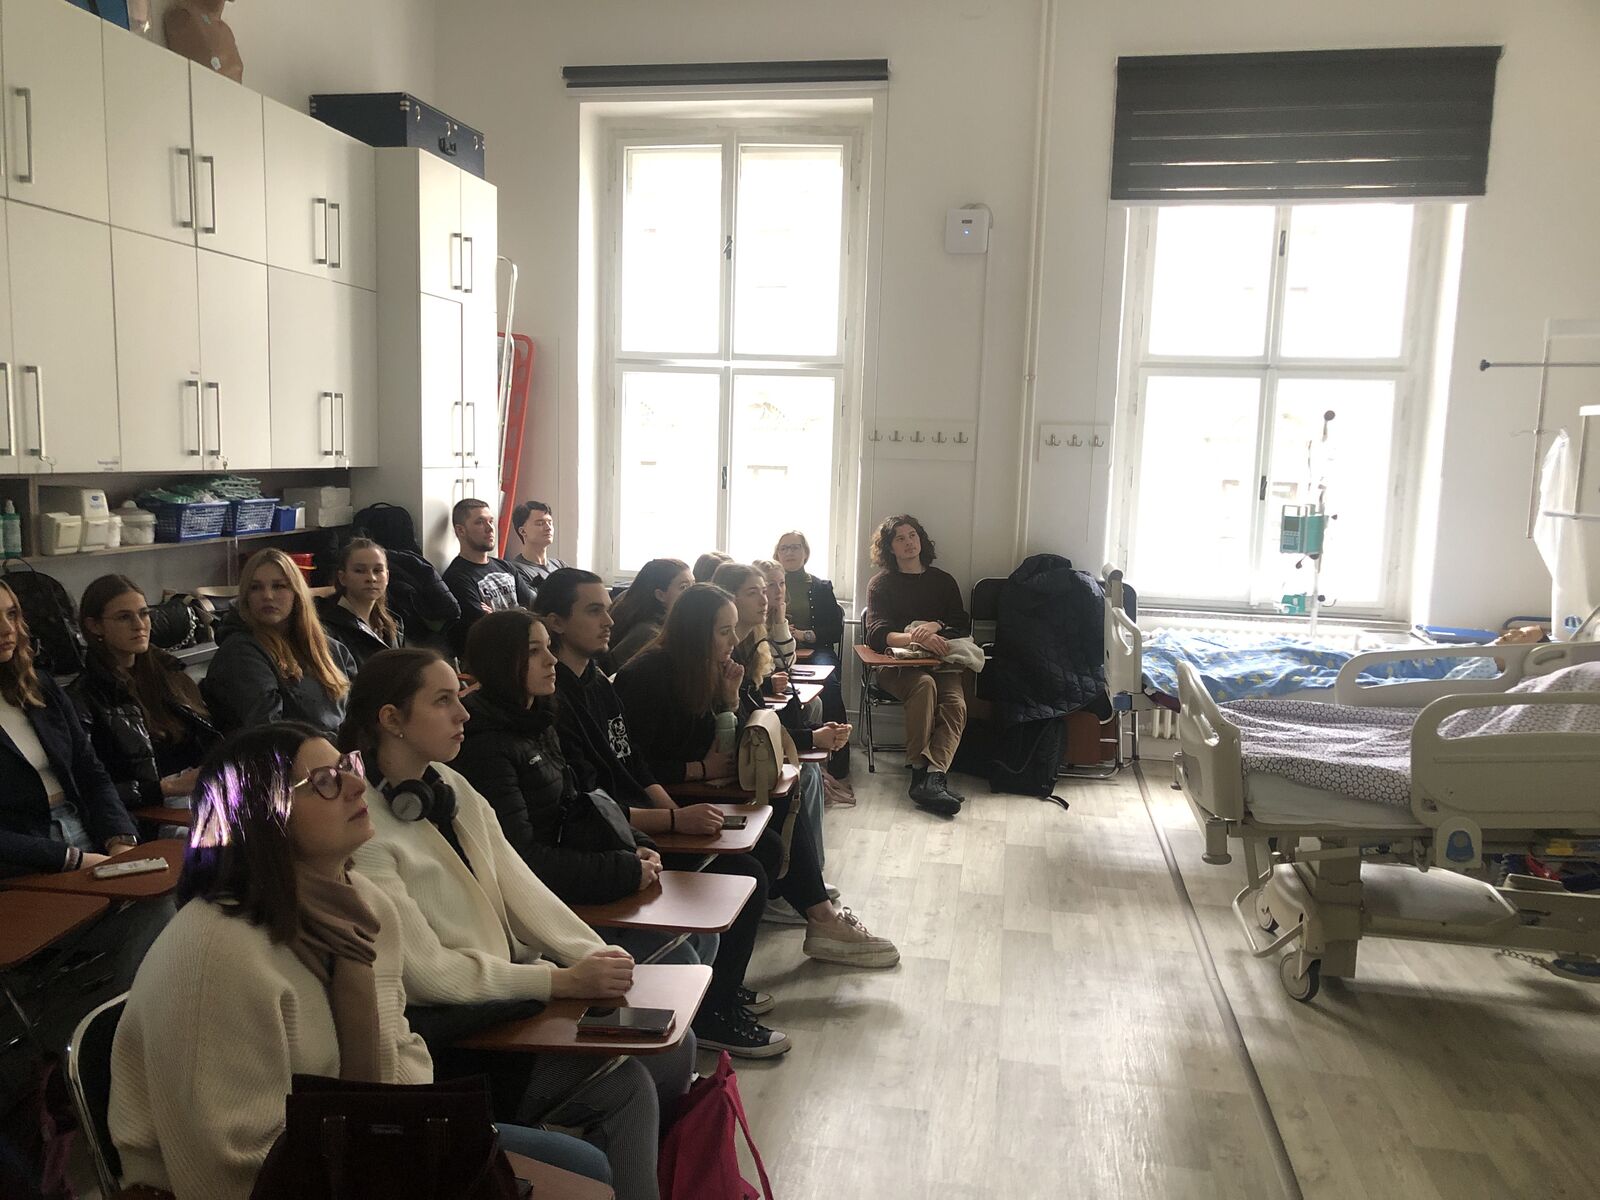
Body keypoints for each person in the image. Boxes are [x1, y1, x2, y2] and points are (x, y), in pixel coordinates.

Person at [109, 724, 611, 1200]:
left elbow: (401, 1053)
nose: (356, 785)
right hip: (276, 1183)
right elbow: (226, 1175)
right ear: (263, 816)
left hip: (361, 1153)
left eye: (347, 767)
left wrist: (407, 1149)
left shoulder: (364, 905)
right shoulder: (213, 954)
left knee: (585, 1167)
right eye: (324, 781)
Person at [340, 648, 680, 1200]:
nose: (463, 713)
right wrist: (560, 981)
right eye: (443, 701)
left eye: (460, 697)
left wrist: (593, 955)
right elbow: (427, 974)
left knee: (675, 1046)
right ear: (392, 719)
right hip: (462, 1036)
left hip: (513, 1002)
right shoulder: (364, 829)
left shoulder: (448, 786)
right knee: (629, 1085)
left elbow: (524, 890)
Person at [457, 610, 787, 1058]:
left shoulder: (540, 717)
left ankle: (715, 1006)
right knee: (692, 947)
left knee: (731, 895)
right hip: (550, 903)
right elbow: (526, 862)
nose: (550, 660)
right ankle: (705, 1018)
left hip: (590, 864)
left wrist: (640, 846)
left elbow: (588, 804)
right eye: (534, 652)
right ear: (501, 664)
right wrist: (630, 865)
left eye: (547, 648)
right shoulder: (488, 746)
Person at [533, 570, 783, 1019]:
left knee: (760, 851)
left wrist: (674, 815)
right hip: (613, 841)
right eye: (594, 610)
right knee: (746, 871)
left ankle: (722, 994)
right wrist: (672, 822)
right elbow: (589, 805)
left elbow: (635, 764)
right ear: (556, 622)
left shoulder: (595, 682)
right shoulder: (558, 701)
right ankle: (717, 1011)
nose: (609, 621)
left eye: (607, 609)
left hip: (643, 823)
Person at [614, 584, 898, 968]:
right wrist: (697, 772)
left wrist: (730, 698)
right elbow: (634, 766)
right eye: (724, 631)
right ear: (695, 631)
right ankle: (819, 917)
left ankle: (818, 915)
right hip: (668, 797)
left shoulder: (707, 664)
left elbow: (734, 735)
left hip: (698, 784)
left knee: (780, 795)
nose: (734, 641)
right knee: (773, 815)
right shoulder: (648, 675)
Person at [711, 562, 849, 917]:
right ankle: (794, 889)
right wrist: (811, 737)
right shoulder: (723, 652)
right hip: (728, 764)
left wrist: (811, 734)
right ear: (728, 599)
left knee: (807, 770)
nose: (766, 599)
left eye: (769, 589)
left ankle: (809, 882)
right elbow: (746, 726)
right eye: (754, 592)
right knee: (804, 775)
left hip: (747, 747)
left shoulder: (748, 643)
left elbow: (759, 713)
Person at [1, 580, 138, 875]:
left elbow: (91, 772)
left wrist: (120, 840)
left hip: (85, 829)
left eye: (12, 614)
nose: (7, 629)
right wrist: (71, 859)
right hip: (25, 860)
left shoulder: (38, 686)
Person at [70, 574, 220, 811]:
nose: (139, 625)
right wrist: (166, 788)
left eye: (144, 613)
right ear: (94, 625)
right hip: (156, 809)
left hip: (205, 792)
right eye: (124, 617)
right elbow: (92, 790)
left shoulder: (168, 672)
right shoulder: (85, 697)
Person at [863, 514, 972, 816]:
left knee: (955, 704)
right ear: (890, 548)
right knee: (923, 686)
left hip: (941, 663)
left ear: (921, 539)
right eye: (900, 538)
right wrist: (915, 637)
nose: (909, 542)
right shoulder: (881, 584)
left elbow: (961, 625)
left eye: (912, 535)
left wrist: (936, 626)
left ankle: (934, 777)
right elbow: (876, 634)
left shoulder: (943, 581)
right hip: (896, 667)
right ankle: (918, 774)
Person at [202, 549, 357, 737]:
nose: (267, 595)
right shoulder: (240, 652)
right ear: (246, 597)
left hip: (339, 751)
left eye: (279, 586)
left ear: (296, 593)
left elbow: (360, 714)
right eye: (255, 587)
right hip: (284, 753)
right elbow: (271, 732)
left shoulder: (332, 649)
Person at [773, 530, 850, 774]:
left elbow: (834, 629)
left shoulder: (821, 587)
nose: (790, 552)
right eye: (784, 548)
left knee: (830, 684)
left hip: (816, 649)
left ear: (805, 553)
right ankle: (796, 750)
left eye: (795, 547)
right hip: (777, 650)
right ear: (777, 554)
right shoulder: (768, 585)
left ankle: (838, 758)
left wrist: (802, 634)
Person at [443, 498, 538, 657]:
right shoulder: (457, 577)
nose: (490, 528)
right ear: (460, 530)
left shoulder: (506, 567)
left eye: (490, 521)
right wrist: (518, 613)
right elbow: (487, 629)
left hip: (522, 647)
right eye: (480, 522)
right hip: (494, 656)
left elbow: (533, 611)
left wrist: (495, 615)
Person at [317, 537, 405, 670]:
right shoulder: (326, 627)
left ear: (387, 577)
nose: (371, 578)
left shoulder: (394, 624)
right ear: (342, 578)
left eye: (377, 570)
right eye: (359, 570)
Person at [607, 557, 691, 671]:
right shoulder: (650, 634)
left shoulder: (634, 607)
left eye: (693, 584)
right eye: (683, 587)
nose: (692, 592)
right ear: (660, 595)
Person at [507, 500, 568, 594]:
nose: (548, 528)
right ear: (523, 531)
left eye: (550, 523)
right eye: (540, 523)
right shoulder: (515, 570)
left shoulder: (560, 565)